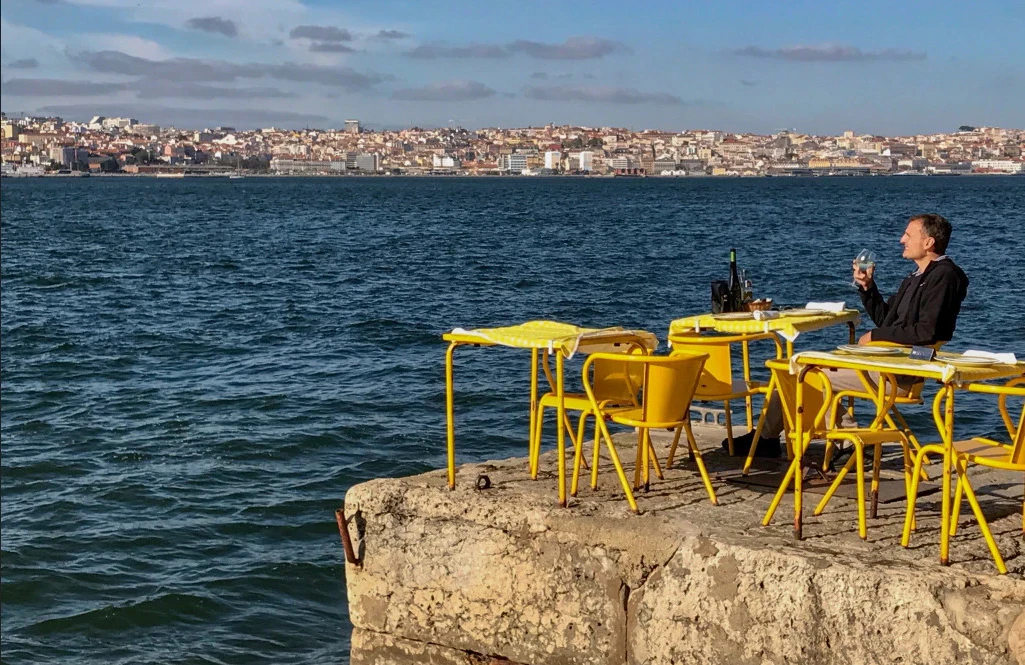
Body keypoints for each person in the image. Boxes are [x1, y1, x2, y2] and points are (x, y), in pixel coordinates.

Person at [726, 213, 969, 457]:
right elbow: (887, 321)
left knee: (805, 372)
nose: (901, 239)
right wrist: (868, 288)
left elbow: (926, 332)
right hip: (887, 363)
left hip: (901, 373)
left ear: (928, 243)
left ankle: (851, 439)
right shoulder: (915, 277)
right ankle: (769, 436)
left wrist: (874, 336)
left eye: (908, 235)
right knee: (795, 368)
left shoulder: (944, 276)